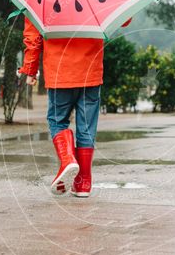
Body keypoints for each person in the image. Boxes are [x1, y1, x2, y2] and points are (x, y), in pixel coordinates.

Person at [18, 16, 129, 197]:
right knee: (86, 127)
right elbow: (122, 18)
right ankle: (83, 183)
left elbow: (33, 35)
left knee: (57, 121)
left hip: (59, 71)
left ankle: (67, 158)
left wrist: (30, 68)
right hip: (90, 71)